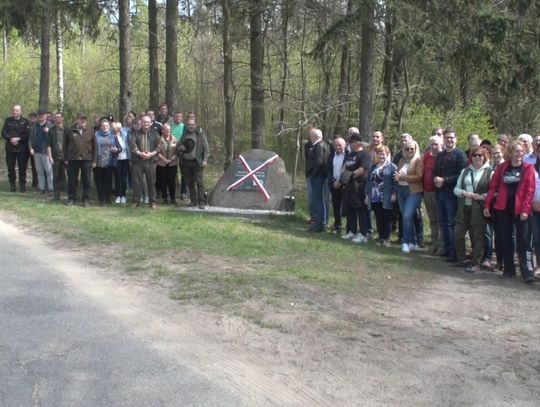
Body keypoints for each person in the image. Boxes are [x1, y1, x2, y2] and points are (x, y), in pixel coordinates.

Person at [484, 141, 535, 283]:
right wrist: (487, 205)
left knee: (524, 242)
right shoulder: (502, 168)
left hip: (521, 210)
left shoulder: (528, 168)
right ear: (510, 153)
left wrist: (525, 209)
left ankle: (527, 271)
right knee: (506, 240)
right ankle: (509, 269)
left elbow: (529, 191)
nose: (519, 154)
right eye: (516, 151)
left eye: (521, 151)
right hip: (503, 208)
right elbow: (493, 187)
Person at [453, 146, 493, 272]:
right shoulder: (465, 171)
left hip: (479, 209)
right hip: (464, 207)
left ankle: (476, 262)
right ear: (471, 157)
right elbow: (456, 189)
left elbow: (494, 191)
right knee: (458, 234)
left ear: (484, 157)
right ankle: (462, 259)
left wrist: (482, 197)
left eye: (480, 155)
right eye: (475, 155)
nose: (477, 158)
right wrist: (465, 194)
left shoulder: (489, 172)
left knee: (478, 236)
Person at [434, 129, 467, 262]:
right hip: (440, 193)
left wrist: (444, 180)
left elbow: (461, 174)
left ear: (456, 139)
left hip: (452, 195)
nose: (449, 140)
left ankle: (454, 253)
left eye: (451, 138)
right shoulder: (440, 155)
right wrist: (435, 179)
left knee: (452, 224)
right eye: (447, 138)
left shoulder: (460, 154)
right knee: (443, 224)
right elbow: (435, 171)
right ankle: (446, 250)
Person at [395, 140, 424, 253]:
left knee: (406, 216)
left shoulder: (418, 160)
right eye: (407, 148)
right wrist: (397, 177)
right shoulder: (402, 160)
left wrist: (404, 177)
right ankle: (413, 242)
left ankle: (405, 242)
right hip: (400, 190)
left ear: (416, 149)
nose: (410, 151)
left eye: (412, 149)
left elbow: (419, 176)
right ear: (404, 149)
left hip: (413, 192)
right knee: (407, 217)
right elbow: (398, 174)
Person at [341, 133, 371, 243]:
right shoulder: (350, 154)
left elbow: (362, 169)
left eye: (351, 142)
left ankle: (363, 233)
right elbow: (345, 167)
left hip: (359, 186)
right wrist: (343, 176)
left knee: (360, 209)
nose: (349, 144)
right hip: (348, 185)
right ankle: (352, 231)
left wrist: (350, 174)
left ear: (358, 142)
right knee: (350, 209)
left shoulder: (365, 155)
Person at [63, 113, 96, 207]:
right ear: (77, 120)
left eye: (84, 119)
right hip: (73, 159)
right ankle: (71, 198)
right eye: (81, 119)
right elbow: (65, 145)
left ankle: (86, 199)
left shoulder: (90, 130)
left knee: (86, 180)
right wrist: (65, 158)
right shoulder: (69, 129)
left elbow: (94, 146)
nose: (83, 121)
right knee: (72, 180)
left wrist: (94, 160)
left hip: (87, 159)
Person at [366, 145, 396, 246]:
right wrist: (367, 195)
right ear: (376, 155)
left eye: (383, 154)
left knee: (386, 218)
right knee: (378, 218)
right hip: (375, 196)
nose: (381, 156)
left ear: (387, 155)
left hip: (386, 196)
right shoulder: (373, 167)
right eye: (379, 154)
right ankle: (380, 238)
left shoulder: (392, 167)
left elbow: (395, 182)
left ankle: (386, 239)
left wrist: (394, 194)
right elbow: (368, 182)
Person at [177, 118, 210, 209]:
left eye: (192, 124)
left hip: (197, 162)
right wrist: (180, 148)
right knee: (190, 182)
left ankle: (201, 202)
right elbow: (178, 146)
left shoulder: (200, 135)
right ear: (187, 125)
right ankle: (193, 201)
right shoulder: (184, 135)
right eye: (189, 125)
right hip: (186, 162)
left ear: (195, 125)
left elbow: (206, 149)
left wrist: (205, 160)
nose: (191, 126)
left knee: (199, 183)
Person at [130, 115, 160, 209]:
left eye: (148, 122)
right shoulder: (135, 134)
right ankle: (136, 201)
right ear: (141, 123)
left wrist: (151, 154)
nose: (146, 123)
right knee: (137, 182)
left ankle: (153, 202)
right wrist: (140, 154)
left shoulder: (155, 133)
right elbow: (133, 145)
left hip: (151, 161)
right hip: (138, 161)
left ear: (151, 123)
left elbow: (159, 146)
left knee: (151, 182)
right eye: (144, 122)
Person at [305, 128, 331, 232]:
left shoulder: (318, 146)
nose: (310, 137)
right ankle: (319, 223)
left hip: (318, 177)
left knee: (318, 201)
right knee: (318, 201)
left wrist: (313, 174)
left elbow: (319, 162)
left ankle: (320, 225)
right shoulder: (322, 145)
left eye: (311, 135)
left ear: (314, 136)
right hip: (319, 176)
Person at [1, 104, 31, 192]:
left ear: (20, 111)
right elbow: (3, 132)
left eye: (17, 110)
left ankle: (22, 186)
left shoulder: (25, 121)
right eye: (14, 110)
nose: (15, 112)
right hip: (10, 148)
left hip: (22, 149)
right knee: (10, 168)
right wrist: (10, 139)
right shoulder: (8, 120)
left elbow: (27, 133)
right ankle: (12, 185)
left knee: (22, 168)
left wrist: (19, 139)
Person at [423, 134, 443, 255]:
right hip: (427, 191)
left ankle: (441, 245)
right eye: (432, 144)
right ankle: (434, 243)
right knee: (433, 220)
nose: (434, 147)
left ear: (441, 144)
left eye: (436, 144)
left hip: (438, 192)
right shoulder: (426, 156)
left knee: (441, 220)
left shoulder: (443, 157)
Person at [94, 120, 121, 205]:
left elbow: (120, 148)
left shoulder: (113, 136)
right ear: (100, 127)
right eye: (103, 126)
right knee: (99, 182)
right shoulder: (96, 135)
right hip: (98, 162)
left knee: (108, 182)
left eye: (107, 126)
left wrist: (116, 150)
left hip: (109, 162)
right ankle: (101, 199)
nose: (105, 127)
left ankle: (107, 198)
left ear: (109, 127)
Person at [28, 109, 53, 194]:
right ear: (38, 116)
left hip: (46, 152)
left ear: (46, 116)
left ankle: (50, 189)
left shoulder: (50, 126)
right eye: (39, 115)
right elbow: (30, 139)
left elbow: (54, 139)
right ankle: (42, 188)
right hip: (36, 152)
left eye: (43, 115)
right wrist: (31, 148)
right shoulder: (34, 126)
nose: (41, 116)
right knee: (40, 171)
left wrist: (48, 132)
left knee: (49, 171)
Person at [156, 123, 179, 205]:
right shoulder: (158, 139)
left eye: (169, 130)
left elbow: (177, 151)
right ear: (162, 131)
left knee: (171, 181)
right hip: (161, 163)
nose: (168, 131)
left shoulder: (175, 139)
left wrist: (171, 159)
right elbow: (156, 151)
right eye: (166, 130)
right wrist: (164, 159)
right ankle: (165, 198)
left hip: (172, 164)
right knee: (163, 181)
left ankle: (173, 198)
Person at [327, 137, 346, 234]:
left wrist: (340, 182)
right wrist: (333, 181)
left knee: (347, 208)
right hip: (334, 185)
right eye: (336, 145)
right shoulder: (331, 156)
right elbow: (329, 170)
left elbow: (348, 170)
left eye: (340, 145)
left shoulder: (348, 156)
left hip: (344, 185)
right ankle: (337, 227)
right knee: (336, 207)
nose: (338, 147)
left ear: (344, 145)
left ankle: (350, 229)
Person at [47, 112, 67, 201]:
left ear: (62, 118)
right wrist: (50, 156)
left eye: (59, 117)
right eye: (55, 117)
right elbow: (48, 144)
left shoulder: (67, 130)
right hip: (56, 157)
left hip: (67, 157)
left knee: (69, 176)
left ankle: (70, 195)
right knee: (56, 176)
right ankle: (56, 195)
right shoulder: (51, 130)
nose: (57, 119)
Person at [113, 122, 130, 204]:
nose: (119, 128)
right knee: (117, 178)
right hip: (117, 160)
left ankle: (123, 196)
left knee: (123, 179)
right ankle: (118, 195)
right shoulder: (112, 136)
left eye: (120, 127)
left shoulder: (125, 136)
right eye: (117, 127)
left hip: (125, 159)